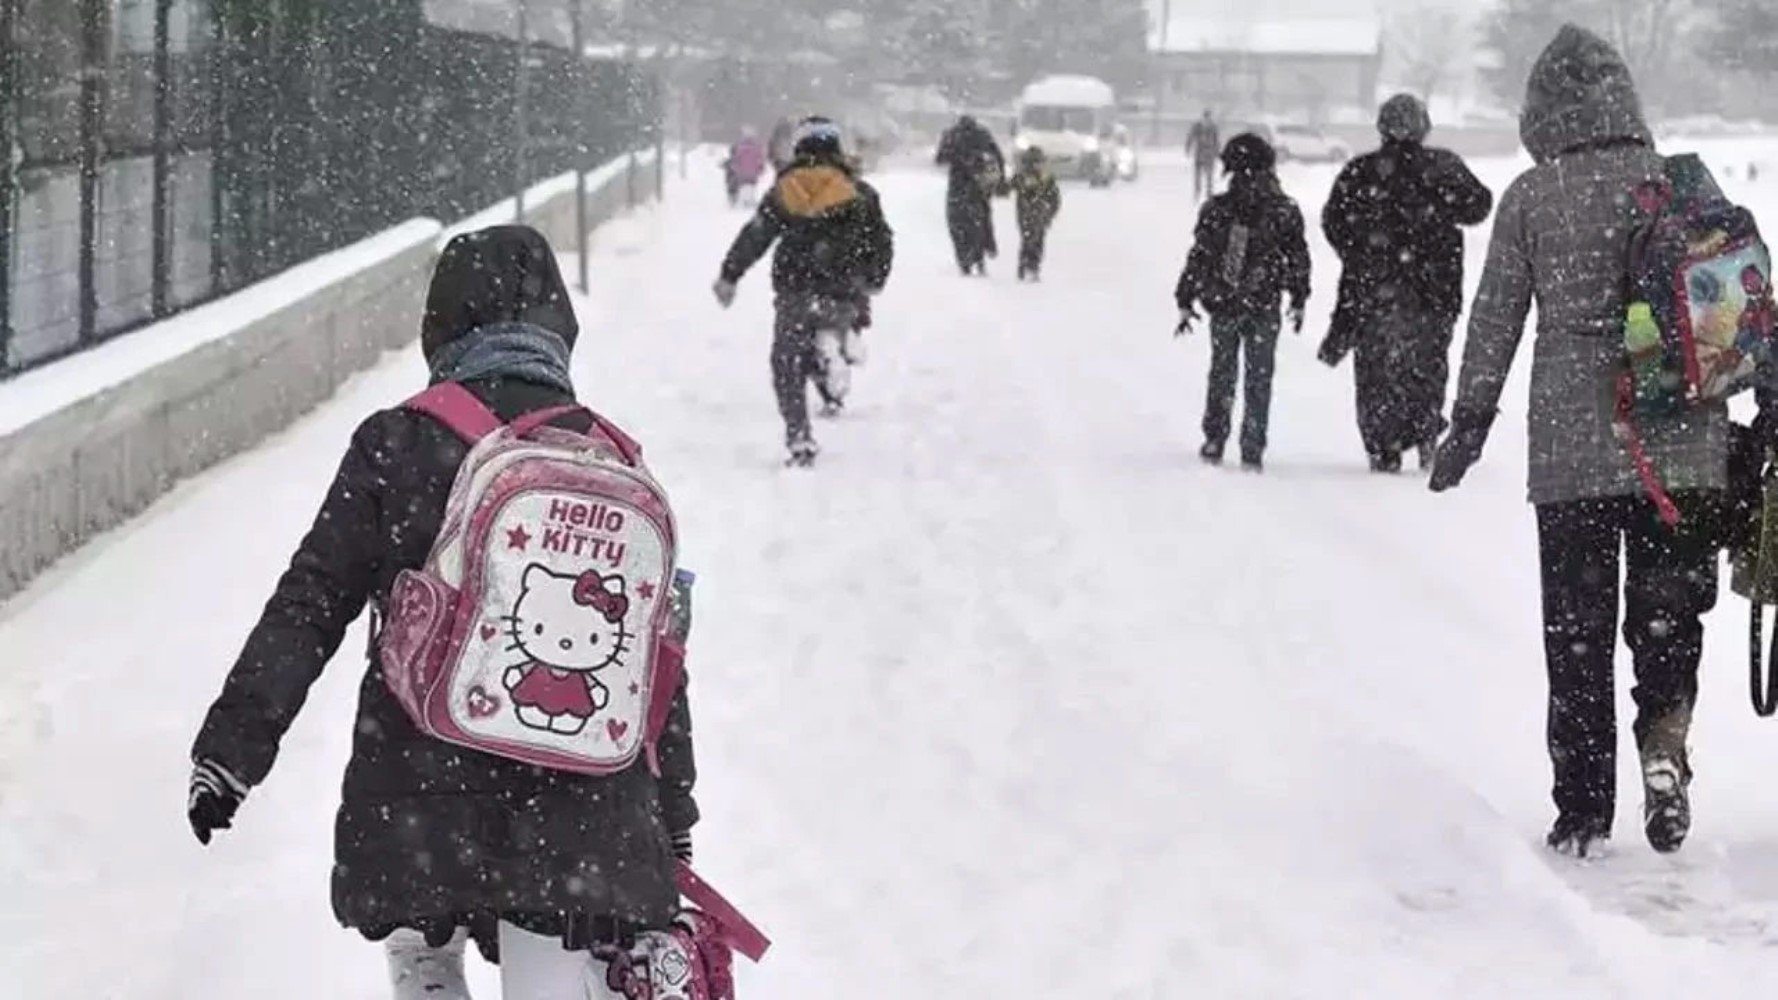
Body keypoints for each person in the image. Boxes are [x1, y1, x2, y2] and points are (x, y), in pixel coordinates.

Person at [186, 225, 700, 998]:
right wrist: (673, 812)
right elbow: (653, 661)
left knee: (421, 929)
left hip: (419, 789)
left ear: (442, 326)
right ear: (559, 328)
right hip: (581, 809)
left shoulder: (397, 442)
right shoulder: (611, 460)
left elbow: (312, 601)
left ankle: (425, 964)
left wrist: (232, 750)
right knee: (556, 962)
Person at [1429, 25, 1762, 858]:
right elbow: (1737, 305)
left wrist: (1469, 421)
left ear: (1542, 113)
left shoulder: (1534, 198)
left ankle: (1582, 809)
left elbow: (1496, 319)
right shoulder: (1679, 185)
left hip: (1574, 451)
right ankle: (1665, 746)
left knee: (1577, 635)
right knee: (1667, 617)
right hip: (1682, 447)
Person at [1319, 93, 1493, 473]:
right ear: (1423, 126)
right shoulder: (1443, 167)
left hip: (1373, 291)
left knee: (1376, 371)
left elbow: (1333, 221)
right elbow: (1479, 205)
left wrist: (1361, 251)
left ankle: (1384, 444)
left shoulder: (1361, 172)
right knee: (1427, 365)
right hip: (1435, 290)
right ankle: (1425, 430)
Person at [714, 118, 895, 466]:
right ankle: (839, 354)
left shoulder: (786, 189)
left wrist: (729, 275)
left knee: (787, 361)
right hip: (844, 289)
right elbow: (881, 242)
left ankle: (799, 436)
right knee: (833, 329)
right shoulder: (860, 193)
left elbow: (756, 235)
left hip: (796, 288)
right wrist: (874, 278)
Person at [1174, 133, 1311, 472]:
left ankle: (1215, 436)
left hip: (1224, 301)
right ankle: (1252, 444)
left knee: (1222, 371)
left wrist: (1186, 294)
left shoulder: (1218, 209)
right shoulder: (1284, 210)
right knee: (1259, 375)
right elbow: (1298, 257)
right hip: (1264, 303)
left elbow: (1200, 256)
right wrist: (1298, 295)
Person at [935, 115, 1006, 276]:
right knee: (980, 219)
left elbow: (939, 159)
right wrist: (1000, 177)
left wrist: (956, 158)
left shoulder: (952, 135)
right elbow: (998, 156)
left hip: (958, 185)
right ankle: (982, 251)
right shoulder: (981, 135)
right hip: (977, 184)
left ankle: (965, 259)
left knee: (958, 223)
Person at [1010, 146, 1061, 282]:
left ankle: (1029, 266)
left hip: (1037, 213)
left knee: (1032, 239)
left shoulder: (1045, 178)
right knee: (1032, 239)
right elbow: (1007, 187)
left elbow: (1054, 198)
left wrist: (1050, 212)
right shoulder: (1025, 177)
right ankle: (1029, 266)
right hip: (1031, 213)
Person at [724, 127, 768, 207]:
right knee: (752, 186)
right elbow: (760, 160)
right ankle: (750, 200)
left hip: (742, 172)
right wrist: (761, 169)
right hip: (754, 172)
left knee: (743, 186)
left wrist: (735, 168)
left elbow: (736, 159)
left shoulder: (740, 148)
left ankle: (743, 200)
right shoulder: (757, 148)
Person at [1185, 109, 1221, 205]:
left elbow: (1216, 140)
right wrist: (1188, 147)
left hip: (1208, 154)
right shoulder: (1198, 126)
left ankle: (1208, 192)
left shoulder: (1213, 127)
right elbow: (1191, 137)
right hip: (1200, 153)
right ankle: (1198, 192)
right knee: (1199, 175)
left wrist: (1217, 152)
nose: (1207, 119)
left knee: (1208, 175)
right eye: (1206, 117)